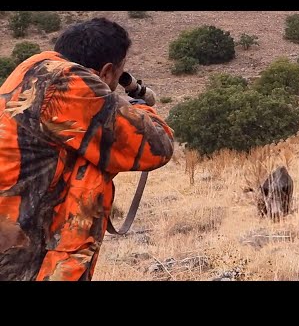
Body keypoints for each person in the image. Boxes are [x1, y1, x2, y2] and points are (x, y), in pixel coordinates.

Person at [0, 17, 174, 281]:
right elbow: (157, 146)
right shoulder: (67, 82)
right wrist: (141, 109)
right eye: (117, 74)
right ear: (105, 72)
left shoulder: (32, 69)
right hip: (22, 255)